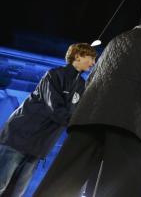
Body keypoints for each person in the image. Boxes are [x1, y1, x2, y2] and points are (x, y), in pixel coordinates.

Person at [32, 23, 141, 197]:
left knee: (63, 176)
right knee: (119, 184)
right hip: (131, 119)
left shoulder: (119, 38)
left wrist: (85, 108)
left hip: (90, 114)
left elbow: (93, 76)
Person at [0, 43, 96, 196]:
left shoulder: (81, 85)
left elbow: (80, 112)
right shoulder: (54, 75)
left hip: (39, 147)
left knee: (16, 192)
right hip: (18, 138)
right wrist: (76, 123)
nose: (93, 63)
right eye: (91, 58)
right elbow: (55, 108)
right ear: (77, 56)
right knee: (1, 184)